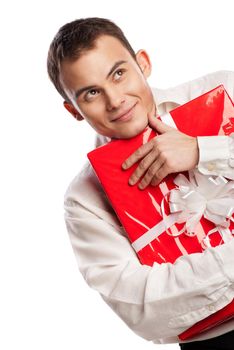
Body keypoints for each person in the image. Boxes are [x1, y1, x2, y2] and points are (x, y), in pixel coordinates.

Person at [47, 17, 234, 349]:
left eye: (119, 74)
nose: (116, 99)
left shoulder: (223, 90)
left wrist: (205, 150)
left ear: (143, 63)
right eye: (91, 93)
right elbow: (144, 308)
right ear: (73, 110)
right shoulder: (84, 200)